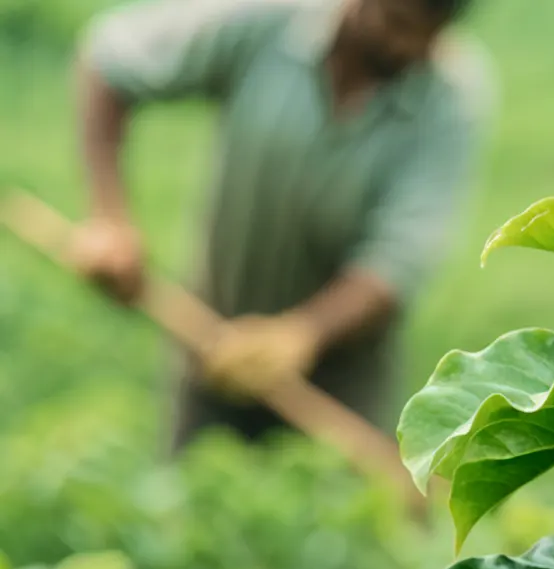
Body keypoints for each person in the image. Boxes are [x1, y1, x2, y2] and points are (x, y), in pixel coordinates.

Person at [72, 0, 488, 447]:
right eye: (394, 21)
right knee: (195, 492)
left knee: (333, 507)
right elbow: (110, 60)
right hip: (210, 340)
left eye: (428, 32)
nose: (403, 44)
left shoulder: (448, 97)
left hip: (340, 382)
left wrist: (303, 333)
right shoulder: (267, 21)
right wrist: (110, 220)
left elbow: (400, 257)